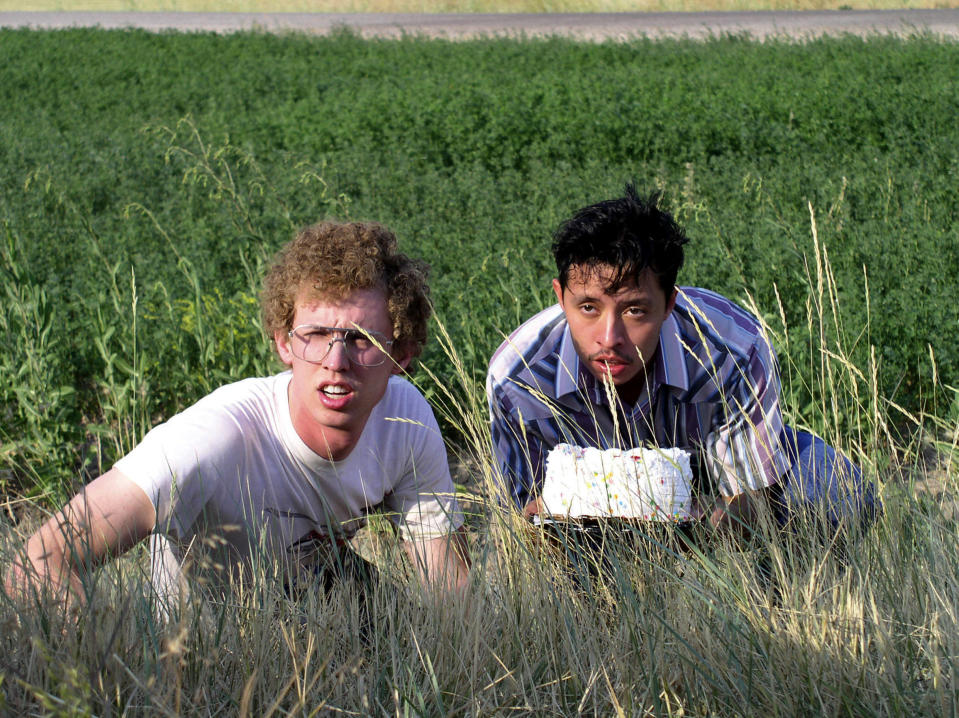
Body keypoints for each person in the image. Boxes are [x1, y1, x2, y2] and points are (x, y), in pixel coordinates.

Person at [9, 221, 470, 613]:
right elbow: (38, 560)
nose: (336, 360)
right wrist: (95, 672)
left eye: (361, 339)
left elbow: (449, 591)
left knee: (400, 627)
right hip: (205, 646)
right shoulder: (213, 439)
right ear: (283, 344)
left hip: (311, 601)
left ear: (402, 354)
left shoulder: (405, 416)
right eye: (316, 334)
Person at [487, 184, 878, 545]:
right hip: (588, 508)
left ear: (670, 302)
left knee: (837, 491)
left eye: (635, 310)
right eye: (588, 308)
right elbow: (526, 517)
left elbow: (753, 493)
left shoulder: (733, 349)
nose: (609, 338)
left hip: (709, 477)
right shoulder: (517, 379)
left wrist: (694, 527)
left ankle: (772, 600)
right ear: (561, 297)